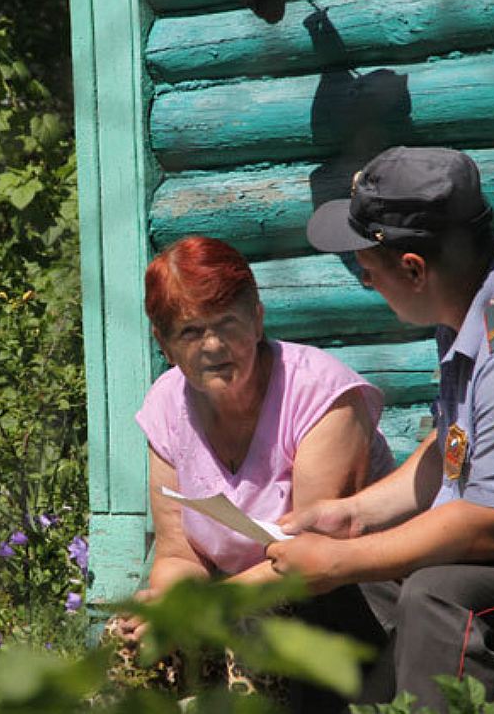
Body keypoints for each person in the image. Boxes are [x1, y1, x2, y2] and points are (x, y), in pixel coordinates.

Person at [267, 147, 494, 707]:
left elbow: (491, 527)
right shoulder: (469, 299)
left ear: (413, 269)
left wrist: (341, 559)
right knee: (337, 588)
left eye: (367, 273)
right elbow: (453, 445)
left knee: (438, 596)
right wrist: (353, 515)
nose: (366, 285)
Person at [115, 236, 395, 641]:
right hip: (234, 600)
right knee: (131, 638)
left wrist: (205, 607)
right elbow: (178, 554)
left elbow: (316, 555)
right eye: (191, 332)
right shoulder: (165, 405)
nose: (213, 346)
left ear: (258, 320)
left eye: (227, 323)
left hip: (347, 599)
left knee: (255, 629)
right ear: (165, 344)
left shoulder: (320, 393)